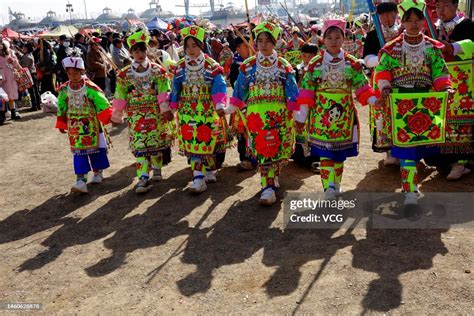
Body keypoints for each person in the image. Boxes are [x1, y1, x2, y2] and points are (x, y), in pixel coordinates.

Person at [375, 0, 452, 205]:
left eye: (418, 19)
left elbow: (440, 71)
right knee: (406, 149)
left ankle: (412, 185)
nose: (414, 24)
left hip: (425, 103)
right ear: (403, 22)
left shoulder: (432, 47)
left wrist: (445, 87)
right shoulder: (392, 49)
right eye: (410, 20)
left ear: (424, 22)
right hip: (401, 103)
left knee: (418, 148)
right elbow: (382, 71)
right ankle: (410, 190)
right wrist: (385, 87)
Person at [297, 19, 378, 200]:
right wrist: (301, 118)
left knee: (339, 155)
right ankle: (329, 187)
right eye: (329, 37)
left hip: (344, 116)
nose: (333, 41)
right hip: (321, 116)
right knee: (325, 153)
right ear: (323, 40)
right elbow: (306, 92)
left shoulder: (352, 63)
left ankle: (337, 184)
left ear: (344, 39)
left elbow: (362, 87)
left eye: (337, 37)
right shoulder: (315, 64)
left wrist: (374, 100)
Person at [229, 21, 299, 205]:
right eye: (260, 40)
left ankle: (272, 180)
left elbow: (292, 91)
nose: (264, 44)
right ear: (255, 43)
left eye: (268, 41)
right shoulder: (248, 65)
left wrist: (296, 111)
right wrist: (233, 105)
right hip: (257, 117)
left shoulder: (284, 66)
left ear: (275, 42)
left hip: (279, 116)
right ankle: (267, 187)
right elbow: (240, 88)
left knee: (275, 149)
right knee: (262, 150)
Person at [111, 30, 174, 194]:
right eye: (136, 51)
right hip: (135, 116)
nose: (139, 54)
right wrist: (116, 115)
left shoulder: (158, 71)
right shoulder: (124, 74)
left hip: (156, 114)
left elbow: (164, 92)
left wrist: (166, 109)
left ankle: (157, 169)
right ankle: (143, 176)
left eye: (142, 50)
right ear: (131, 52)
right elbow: (119, 95)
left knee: (156, 143)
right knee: (140, 146)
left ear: (147, 50)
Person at [170, 25, 228, 194]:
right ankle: (198, 177)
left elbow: (219, 85)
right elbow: (175, 88)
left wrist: (219, 104)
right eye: (187, 46)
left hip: (207, 110)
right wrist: (172, 106)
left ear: (201, 45)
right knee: (193, 141)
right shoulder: (180, 66)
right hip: (187, 111)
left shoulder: (212, 65)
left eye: (194, 46)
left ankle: (208, 170)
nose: (190, 50)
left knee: (207, 139)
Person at [424, 0, 474, 180]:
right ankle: (443, 161)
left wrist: (452, 47)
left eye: (444, 6)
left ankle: (461, 162)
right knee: (440, 119)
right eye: (437, 7)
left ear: (455, 6)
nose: (440, 10)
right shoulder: (431, 29)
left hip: (462, 82)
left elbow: (472, 44)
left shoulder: (467, 25)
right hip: (438, 82)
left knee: (461, 121)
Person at [55, 48, 112, 193]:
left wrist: (107, 116)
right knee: (78, 152)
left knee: (96, 150)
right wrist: (61, 122)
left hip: (92, 124)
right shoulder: (64, 90)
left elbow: (102, 102)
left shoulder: (90, 88)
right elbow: (61, 106)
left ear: (82, 72)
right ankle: (81, 179)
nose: (73, 76)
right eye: (69, 74)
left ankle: (98, 172)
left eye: (76, 73)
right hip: (74, 127)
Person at [363, 0, 401, 165]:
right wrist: (380, 60)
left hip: (402, 78)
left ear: (396, 13)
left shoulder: (404, 32)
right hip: (380, 79)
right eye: (382, 14)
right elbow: (367, 59)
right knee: (384, 113)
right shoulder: (373, 35)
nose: (386, 17)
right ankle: (390, 151)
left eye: (390, 13)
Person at [228, 36, 255, 171]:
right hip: (243, 105)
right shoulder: (236, 66)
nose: (250, 48)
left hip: (258, 104)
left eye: (251, 44)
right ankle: (245, 158)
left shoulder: (259, 62)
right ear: (238, 49)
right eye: (246, 46)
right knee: (242, 132)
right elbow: (235, 85)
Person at [293, 43, 320, 172]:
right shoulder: (296, 69)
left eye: (310, 56)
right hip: (300, 102)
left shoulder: (319, 69)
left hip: (316, 104)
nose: (307, 59)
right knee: (300, 128)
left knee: (314, 130)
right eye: (304, 55)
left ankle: (315, 159)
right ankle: (299, 156)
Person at [0, 39, 21, 122]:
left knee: (7, 96)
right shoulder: (10, 53)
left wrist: (15, 64)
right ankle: (7, 114)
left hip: (8, 76)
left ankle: (9, 114)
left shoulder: (10, 53)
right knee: (4, 96)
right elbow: (16, 64)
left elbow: (16, 63)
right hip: (6, 76)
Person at [19, 42, 41, 112]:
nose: (23, 49)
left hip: (29, 74)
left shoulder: (26, 56)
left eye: (24, 47)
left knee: (32, 91)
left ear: (27, 48)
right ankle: (38, 105)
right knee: (36, 90)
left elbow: (24, 67)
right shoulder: (30, 54)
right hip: (34, 74)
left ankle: (34, 106)